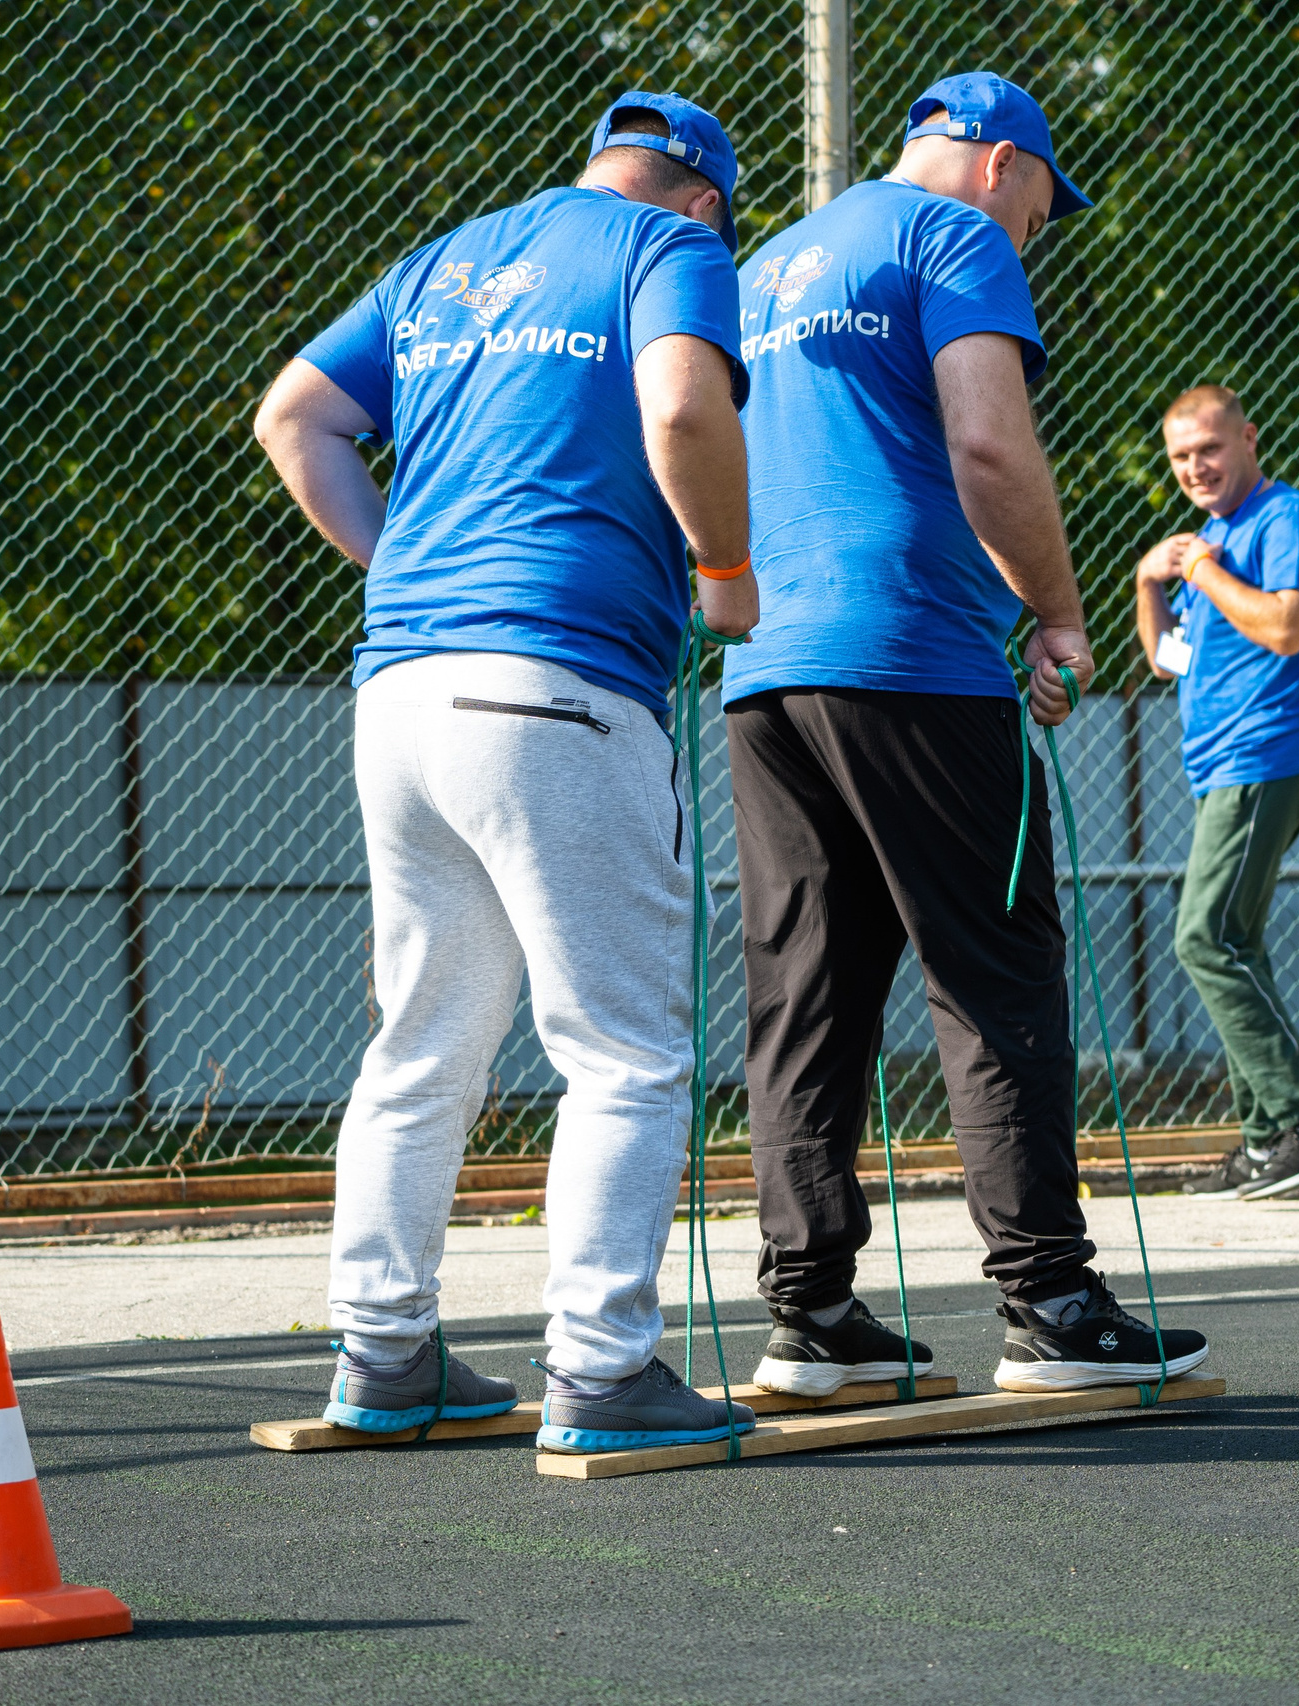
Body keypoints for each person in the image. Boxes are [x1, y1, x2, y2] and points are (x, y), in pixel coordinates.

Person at [254, 92, 765, 1454]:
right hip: (562, 686)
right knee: (625, 1051)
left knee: (423, 1039)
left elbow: (294, 417)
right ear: (703, 195)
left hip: (405, 684)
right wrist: (726, 575)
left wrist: (407, 569)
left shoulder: (448, 259)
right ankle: (601, 1370)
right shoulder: (672, 247)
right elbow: (681, 405)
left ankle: (384, 1353)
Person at [723, 71, 1209, 1397]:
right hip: (912, 662)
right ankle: (1050, 1298)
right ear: (1001, 163)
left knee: (806, 991)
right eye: (1048, 196)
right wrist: (1056, 612)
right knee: (993, 967)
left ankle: (810, 1311)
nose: (1045, 225)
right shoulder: (958, 238)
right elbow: (989, 446)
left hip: (768, 671)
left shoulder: (764, 265)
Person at [1133, 384, 1299, 1202]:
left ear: (1248, 440)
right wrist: (1149, 580)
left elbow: (1284, 627)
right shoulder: (1214, 539)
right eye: (1181, 457)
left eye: (1210, 449)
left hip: (1266, 757)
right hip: (1221, 766)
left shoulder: (1285, 519)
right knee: (1236, 942)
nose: (1196, 467)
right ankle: (1268, 1141)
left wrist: (1198, 565)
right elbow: (1169, 661)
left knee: (1203, 939)